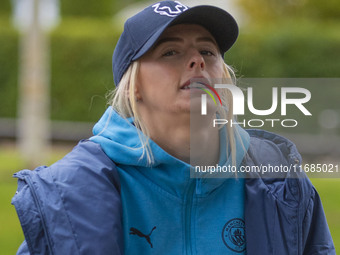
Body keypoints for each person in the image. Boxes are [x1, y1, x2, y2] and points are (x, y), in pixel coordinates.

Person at [12, 1, 335, 254]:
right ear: (133, 87)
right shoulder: (67, 191)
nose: (197, 60)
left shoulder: (280, 181)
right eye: (170, 51)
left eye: (207, 51)